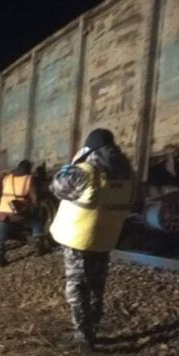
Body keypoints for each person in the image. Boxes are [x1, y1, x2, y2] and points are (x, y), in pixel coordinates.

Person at [50, 128, 133, 351]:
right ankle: (92, 330)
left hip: (79, 241)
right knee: (97, 288)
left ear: (90, 149)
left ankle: (83, 338)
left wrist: (73, 162)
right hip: (104, 240)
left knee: (78, 290)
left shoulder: (84, 171)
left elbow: (56, 188)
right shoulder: (126, 173)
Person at [0, 159, 47, 267]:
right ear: (28, 169)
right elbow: (34, 196)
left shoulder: (6, 178)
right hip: (18, 210)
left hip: (3, 210)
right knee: (36, 222)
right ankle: (39, 247)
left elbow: (0, 193)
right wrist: (36, 206)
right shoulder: (29, 178)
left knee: (2, 233)